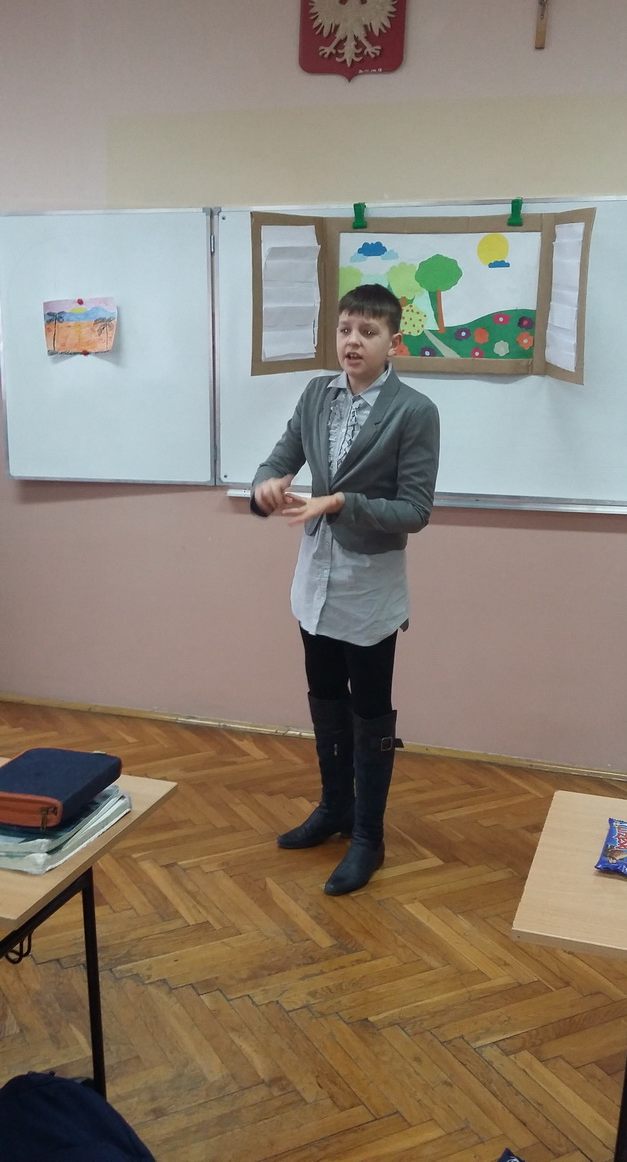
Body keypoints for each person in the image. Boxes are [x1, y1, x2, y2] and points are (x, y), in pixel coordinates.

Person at [251, 284, 440, 895]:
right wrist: (265, 485)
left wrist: (340, 502)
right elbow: (280, 458)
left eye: (368, 332)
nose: (353, 341)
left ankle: (368, 837)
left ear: (394, 343)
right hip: (315, 580)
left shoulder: (415, 411)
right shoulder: (317, 393)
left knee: (369, 709)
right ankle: (334, 808)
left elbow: (415, 511)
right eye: (345, 330)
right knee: (325, 696)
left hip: (369, 589)